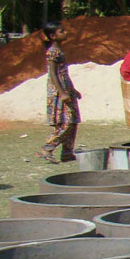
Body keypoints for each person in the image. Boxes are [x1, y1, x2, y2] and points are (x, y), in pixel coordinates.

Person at [36, 21, 82, 163]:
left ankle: (67, 152)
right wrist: (62, 93)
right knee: (66, 122)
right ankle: (47, 148)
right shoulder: (52, 52)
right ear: (52, 36)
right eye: (61, 31)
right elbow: (53, 74)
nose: (66, 33)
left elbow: (64, 73)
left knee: (73, 122)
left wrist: (73, 90)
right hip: (59, 91)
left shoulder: (59, 50)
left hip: (66, 89)